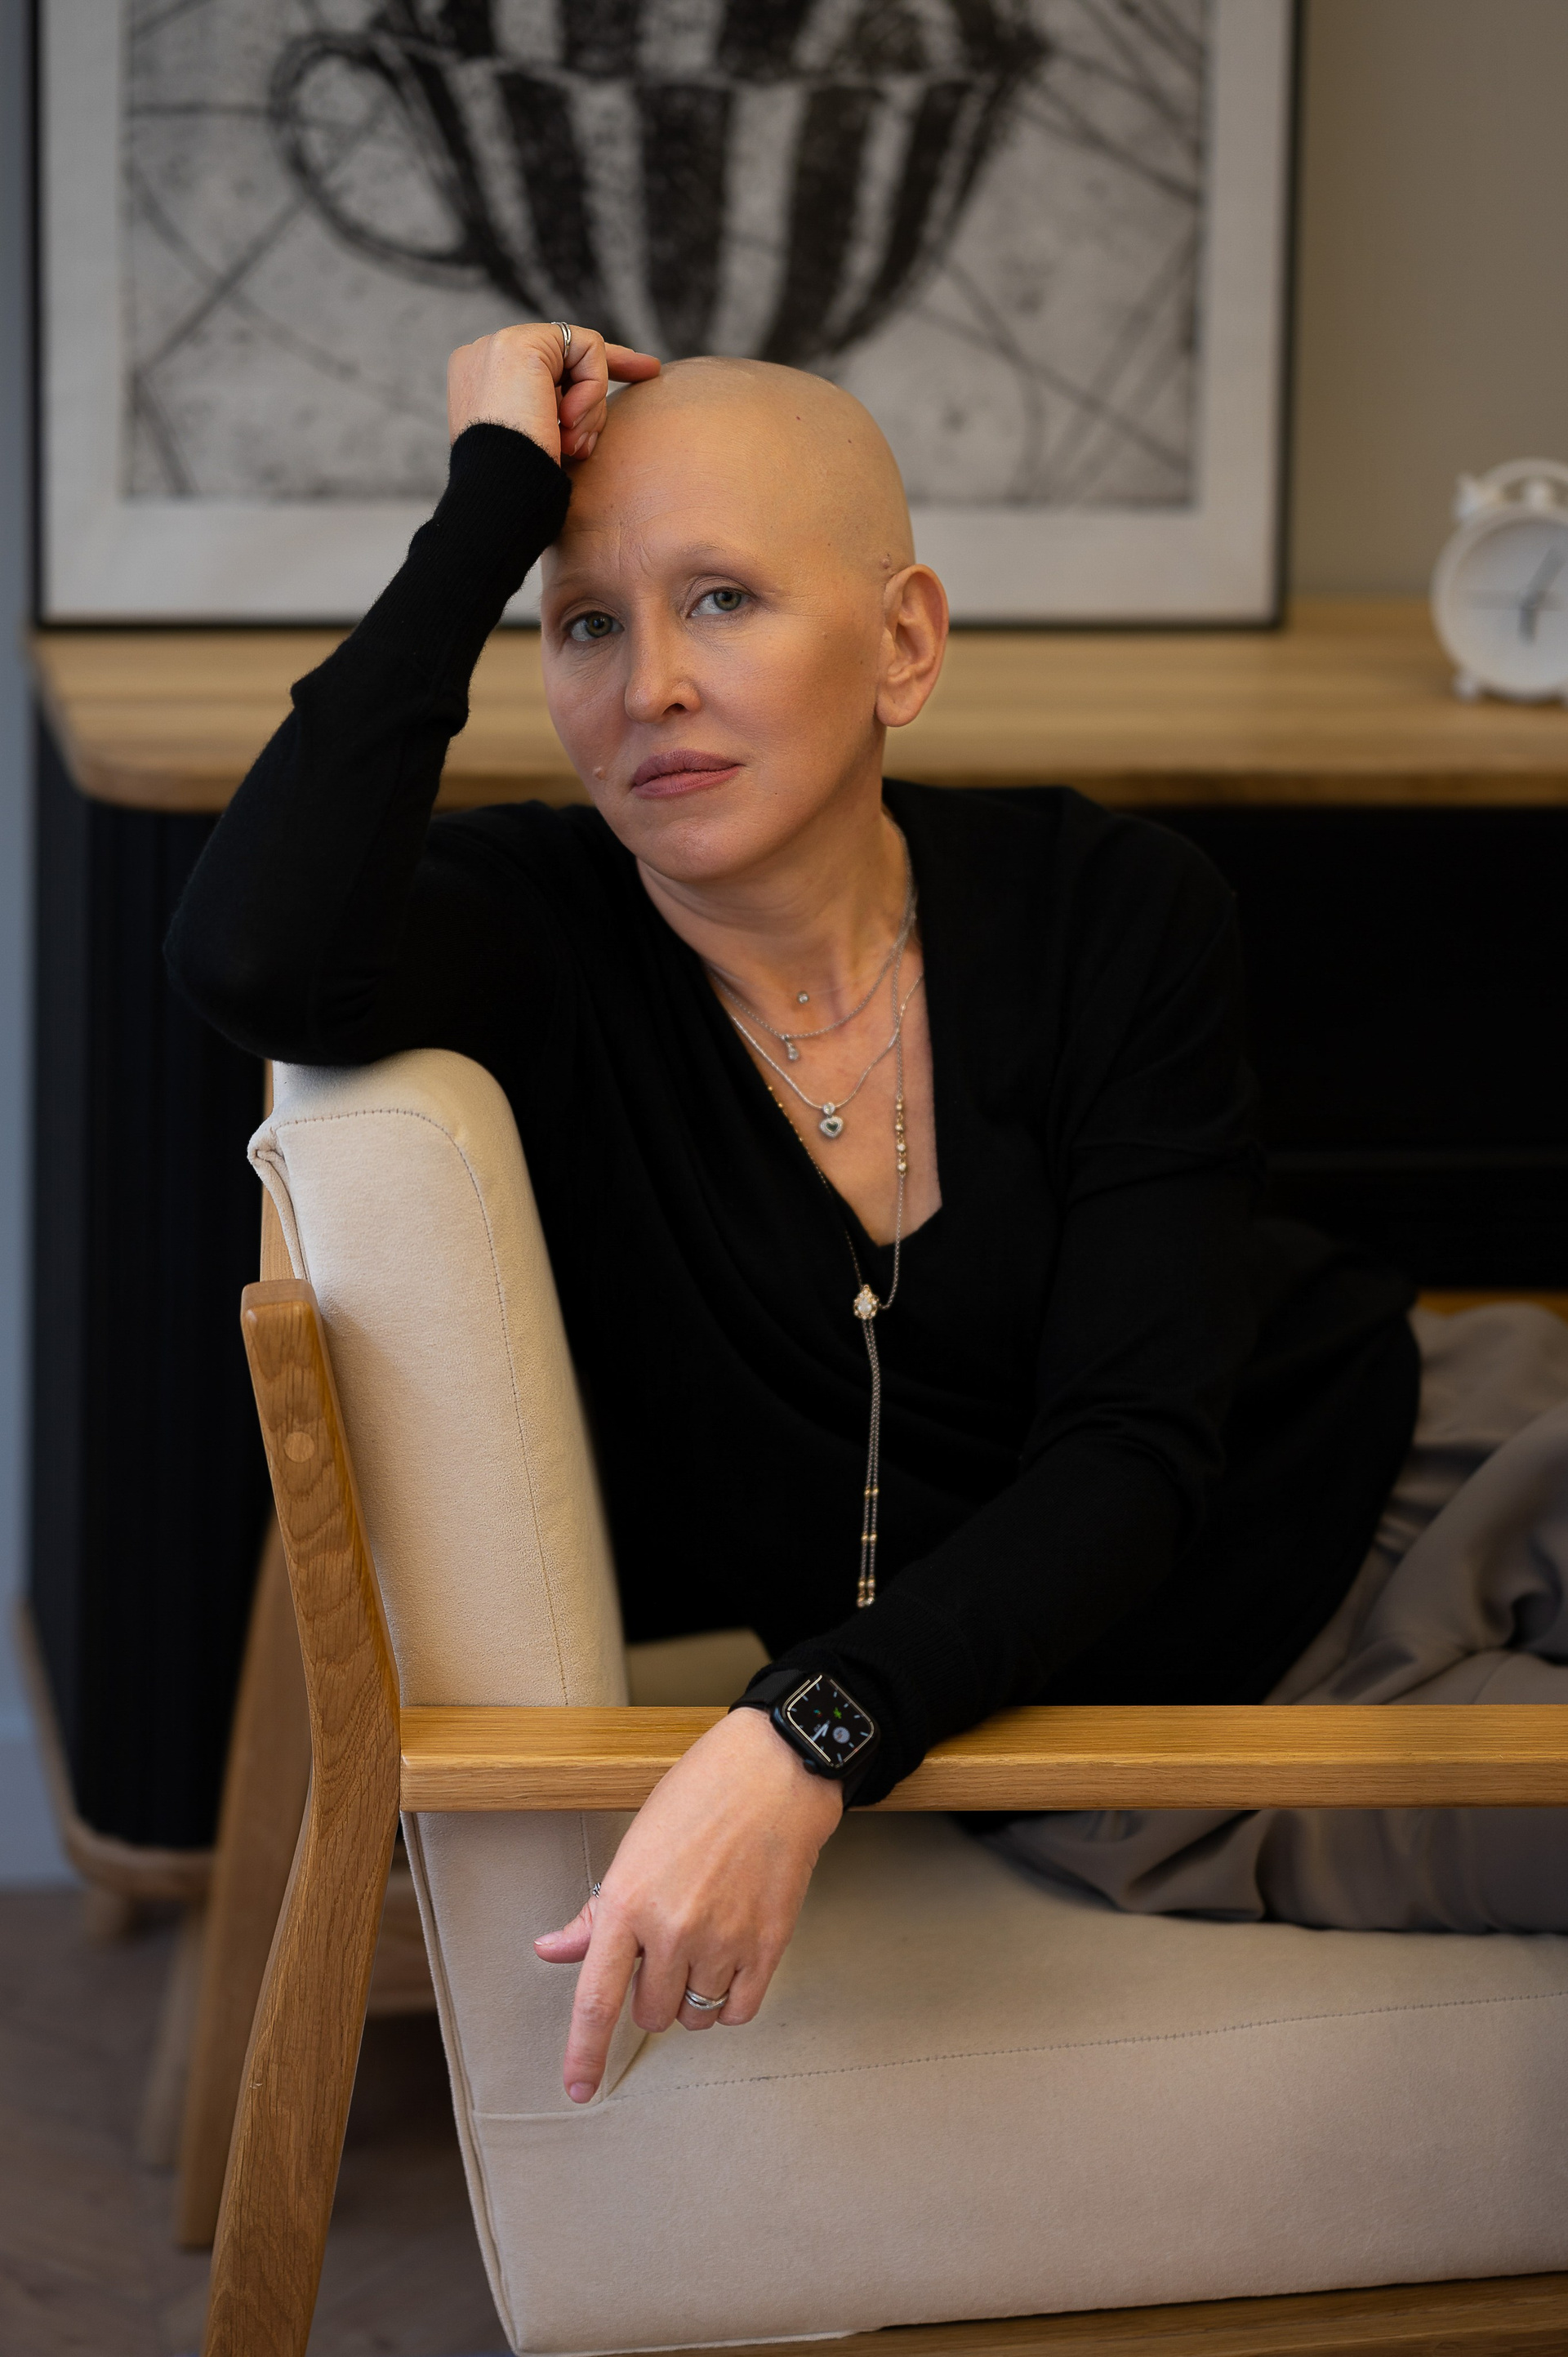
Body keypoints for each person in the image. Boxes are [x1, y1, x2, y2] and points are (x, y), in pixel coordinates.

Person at [165, 321, 1564, 2114]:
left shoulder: (1110, 903)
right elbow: (254, 954)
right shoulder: (532, 944)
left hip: (1440, 1444)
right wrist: (489, 502)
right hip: (1176, 1732)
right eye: (585, 624)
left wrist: (798, 1734)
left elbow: (1136, 1447)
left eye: (723, 599)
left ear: (903, 642)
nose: (652, 685)